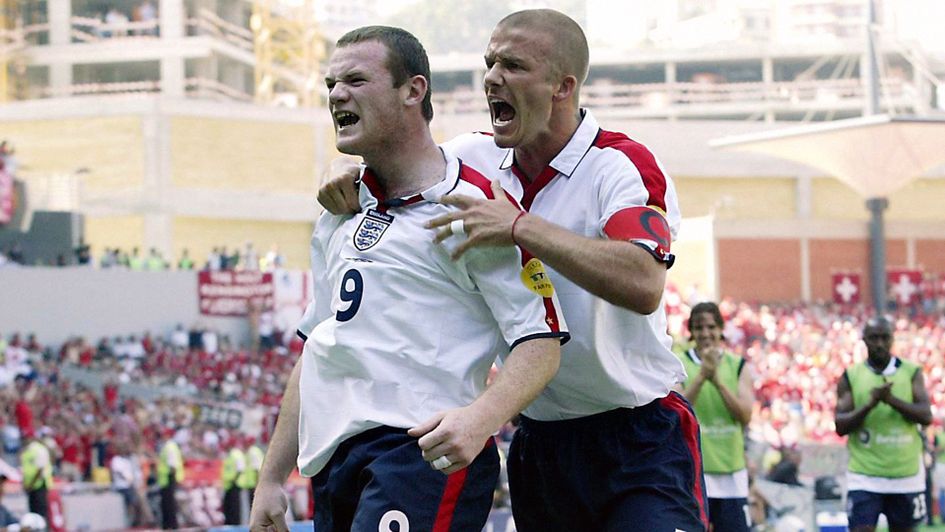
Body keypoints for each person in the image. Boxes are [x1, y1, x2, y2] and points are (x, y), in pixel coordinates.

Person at [318, 9, 705, 531]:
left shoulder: (620, 165)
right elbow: (400, 166)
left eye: (514, 65)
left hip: (638, 435)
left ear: (562, 86)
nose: (492, 78)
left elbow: (643, 282)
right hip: (537, 441)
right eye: (490, 62)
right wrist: (345, 173)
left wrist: (522, 226)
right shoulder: (470, 156)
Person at [250, 25, 566, 532]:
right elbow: (318, 346)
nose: (336, 95)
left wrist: (481, 419)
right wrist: (270, 479)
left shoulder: (476, 207)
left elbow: (542, 340)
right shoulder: (339, 210)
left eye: (355, 79)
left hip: (419, 455)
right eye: (330, 84)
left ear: (412, 90)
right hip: (336, 462)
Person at [835, 316, 933, 532]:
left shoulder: (911, 372)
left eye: (884, 337)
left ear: (892, 339)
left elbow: (926, 415)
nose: (879, 343)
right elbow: (840, 425)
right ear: (864, 340)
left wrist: (891, 401)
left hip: (905, 475)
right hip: (864, 476)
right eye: (873, 338)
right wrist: (870, 404)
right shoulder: (852, 376)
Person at [678, 301, 754, 532]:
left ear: (721, 329)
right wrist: (702, 376)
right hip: (694, 473)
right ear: (691, 331)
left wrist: (717, 380)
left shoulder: (737, 364)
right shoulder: (680, 362)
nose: (706, 333)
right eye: (699, 328)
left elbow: (745, 416)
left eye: (711, 327)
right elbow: (678, 411)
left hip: (732, 473)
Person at [20, 432, 51, 521]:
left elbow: (40, 470)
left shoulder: (38, 449)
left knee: (41, 512)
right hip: (31, 485)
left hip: (39, 484)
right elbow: (25, 469)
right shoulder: (26, 450)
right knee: (33, 513)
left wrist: (30, 484)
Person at [156, 432, 184, 529]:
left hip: (169, 479)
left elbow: (172, 465)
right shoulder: (170, 446)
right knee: (167, 504)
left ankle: (171, 526)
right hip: (166, 480)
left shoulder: (170, 447)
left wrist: (171, 477)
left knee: (169, 505)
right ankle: (168, 525)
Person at [220, 439, 246, 525]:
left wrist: (234, 480)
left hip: (235, 484)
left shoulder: (236, 454)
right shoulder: (230, 455)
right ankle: (229, 523)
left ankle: (235, 524)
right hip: (229, 485)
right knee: (228, 506)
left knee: (234, 507)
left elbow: (240, 469)